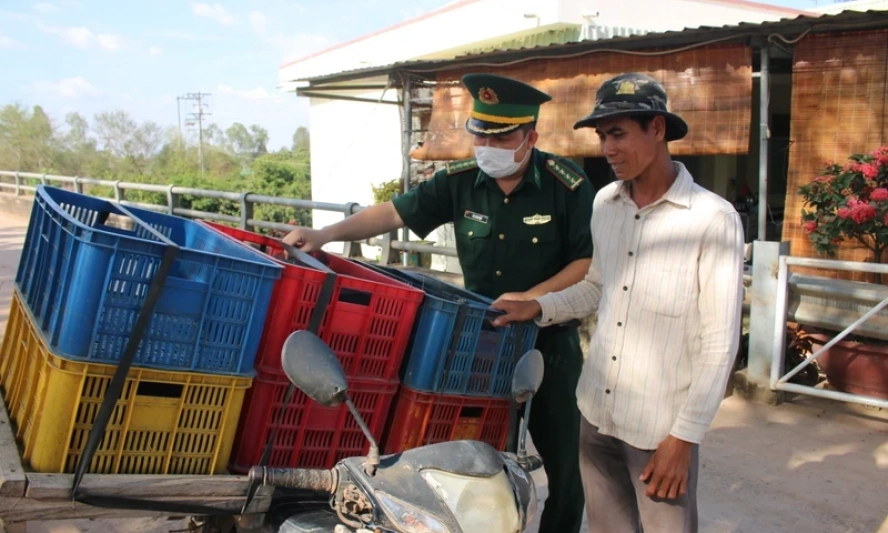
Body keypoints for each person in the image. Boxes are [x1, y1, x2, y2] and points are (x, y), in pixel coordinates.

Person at [282, 73, 594, 533]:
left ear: (531, 137)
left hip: (549, 345)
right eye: (480, 133)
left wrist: (531, 298)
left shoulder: (565, 185)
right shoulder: (461, 182)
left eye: (501, 136)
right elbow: (392, 212)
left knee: (567, 467)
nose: (487, 145)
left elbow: (587, 262)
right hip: (483, 346)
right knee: (482, 459)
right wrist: (324, 234)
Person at [490, 72, 745, 533]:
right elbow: (597, 286)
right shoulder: (606, 202)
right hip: (596, 413)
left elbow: (719, 345)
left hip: (660, 429)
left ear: (658, 129)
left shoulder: (712, 219)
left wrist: (683, 439)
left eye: (619, 133)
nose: (608, 148)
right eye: (603, 135)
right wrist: (537, 307)